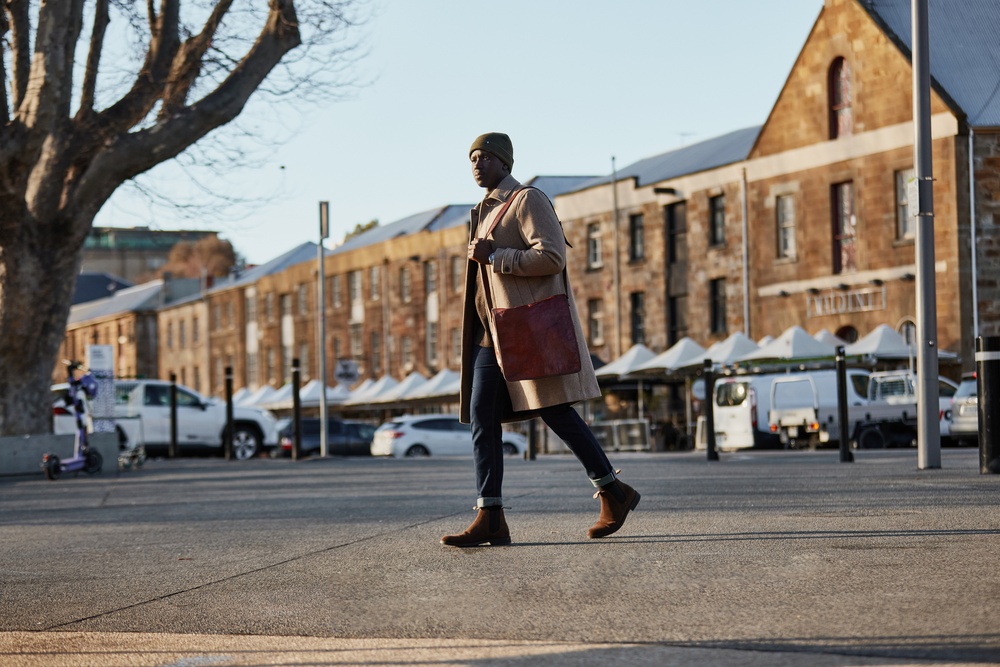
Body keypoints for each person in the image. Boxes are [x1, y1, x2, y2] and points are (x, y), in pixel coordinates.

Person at [441, 132, 640, 547]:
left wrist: (497, 257)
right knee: (481, 417)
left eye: (485, 157)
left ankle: (612, 490)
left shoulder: (528, 200)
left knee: (555, 411)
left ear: (504, 162)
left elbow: (552, 256)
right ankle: (490, 515)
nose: (476, 164)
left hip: (524, 328)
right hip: (488, 334)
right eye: (471, 158)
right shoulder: (481, 210)